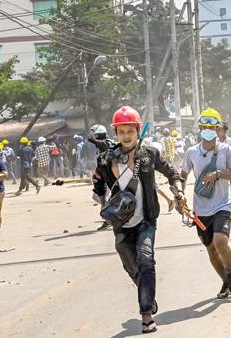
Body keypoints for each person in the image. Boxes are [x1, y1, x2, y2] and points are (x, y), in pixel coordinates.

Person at [93, 106, 183, 334]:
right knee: (132, 267)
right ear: (116, 133)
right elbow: (97, 183)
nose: (125, 136)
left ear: (137, 130)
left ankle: (146, 314)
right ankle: (148, 295)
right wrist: (104, 201)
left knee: (146, 259)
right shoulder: (105, 158)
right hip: (121, 224)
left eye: (129, 131)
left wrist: (178, 192)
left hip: (146, 219)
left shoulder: (149, 154)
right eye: (121, 131)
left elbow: (172, 172)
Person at [180, 108, 231, 299]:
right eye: (204, 126)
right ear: (199, 128)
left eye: (211, 126)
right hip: (200, 209)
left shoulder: (226, 149)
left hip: (223, 204)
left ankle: (230, 271)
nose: (207, 129)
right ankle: (226, 281)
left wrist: (218, 174)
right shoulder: (191, 152)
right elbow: (182, 175)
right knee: (211, 248)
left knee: (220, 241)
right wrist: (180, 193)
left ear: (218, 129)